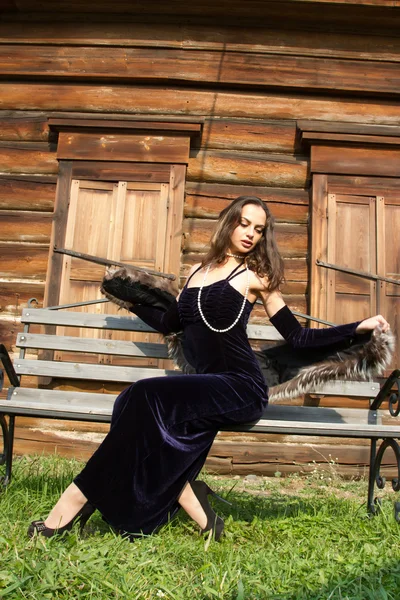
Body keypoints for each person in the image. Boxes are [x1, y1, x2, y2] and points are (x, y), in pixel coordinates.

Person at [28, 196, 390, 540]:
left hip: (240, 386)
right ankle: (197, 512)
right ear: (229, 224)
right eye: (244, 224)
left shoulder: (255, 278)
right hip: (206, 385)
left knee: (144, 394)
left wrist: (358, 328)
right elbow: (169, 322)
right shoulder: (197, 272)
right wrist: (128, 298)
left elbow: (298, 338)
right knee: (128, 403)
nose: (250, 233)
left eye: (259, 229)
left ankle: (74, 501)